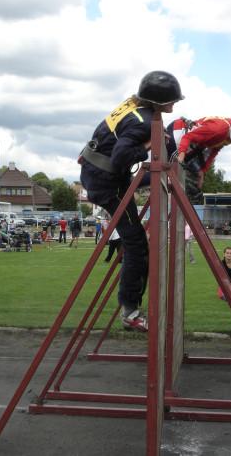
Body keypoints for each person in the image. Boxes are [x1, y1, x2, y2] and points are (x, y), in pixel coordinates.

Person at [79, 71, 184, 332]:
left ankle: (131, 306)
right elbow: (120, 157)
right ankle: (130, 311)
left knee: (137, 241)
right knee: (137, 244)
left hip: (102, 175)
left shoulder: (133, 107)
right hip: (107, 183)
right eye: (172, 100)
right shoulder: (143, 122)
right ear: (158, 101)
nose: (175, 103)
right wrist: (147, 146)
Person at [165, 115, 231, 204]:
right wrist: (180, 160)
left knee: (194, 186)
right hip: (177, 134)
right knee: (171, 174)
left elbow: (214, 150)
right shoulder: (220, 130)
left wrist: (202, 171)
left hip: (190, 144)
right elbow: (188, 137)